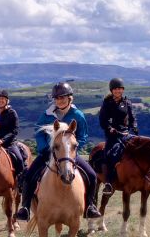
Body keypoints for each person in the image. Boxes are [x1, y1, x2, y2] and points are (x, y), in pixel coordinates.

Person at [15, 82, 102, 221]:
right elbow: (38, 132)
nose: (60, 100)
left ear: (70, 98)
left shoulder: (78, 115)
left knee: (91, 175)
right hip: (48, 152)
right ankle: (25, 208)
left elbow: (83, 136)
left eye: (63, 97)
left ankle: (90, 206)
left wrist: (72, 148)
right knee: (29, 175)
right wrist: (45, 148)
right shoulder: (47, 114)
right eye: (57, 98)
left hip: (68, 155)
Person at [98, 77, 138, 196]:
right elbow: (103, 120)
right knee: (111, 154)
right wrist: (110, 128)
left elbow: (132, 118)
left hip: (125, 133)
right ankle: (109, 183)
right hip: (112, 135)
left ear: (123, 90)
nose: (118, 91)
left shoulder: (127, 102)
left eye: (120, 89)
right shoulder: (107, 104)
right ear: (112, 90)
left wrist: (134, 126)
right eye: (115, 89)